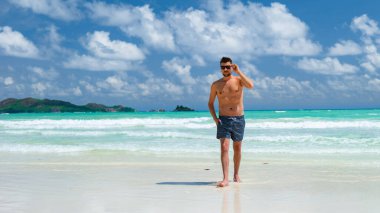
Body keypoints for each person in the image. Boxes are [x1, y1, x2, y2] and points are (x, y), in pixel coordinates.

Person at [208, 56, 254, 187]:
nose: (225, 69)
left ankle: (236, 174)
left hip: (239, 119)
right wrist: (215, 118)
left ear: (232, 67)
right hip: (223, 119)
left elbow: (251, 85)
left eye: (228, 66)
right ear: (220, 68)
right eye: (223, 67)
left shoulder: (239, 80)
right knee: (224, 147)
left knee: (237, 148)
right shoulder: (216, 84)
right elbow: (210, 103)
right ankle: (225, 179)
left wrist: (238, 71)